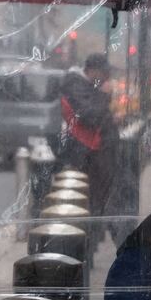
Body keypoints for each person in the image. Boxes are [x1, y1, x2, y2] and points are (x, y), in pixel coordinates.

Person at [59, 53, 119, 216]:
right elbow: (90, 116)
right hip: (85, 151)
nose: (106, 78)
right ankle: (92, 229)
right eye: (104, 74)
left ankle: (96, 226)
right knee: (91, 199)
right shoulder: (76, 85)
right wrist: (104, 95)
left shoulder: (87, 86)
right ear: (93, 71)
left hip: (94, 150)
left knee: (99, 197)